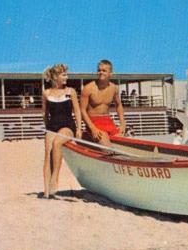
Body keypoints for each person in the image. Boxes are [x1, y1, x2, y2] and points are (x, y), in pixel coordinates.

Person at [41, 63, 82, 199]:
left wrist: (79, 129)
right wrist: (47, 129)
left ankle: (55, 178)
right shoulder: (46, 93)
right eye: (64, 74)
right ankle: (47, 191)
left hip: (67, 126)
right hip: (52, 125)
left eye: (66, 74)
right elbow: (45, 113)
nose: (67, 77)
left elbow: (77, 111)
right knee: (48, 154)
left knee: (57, 143)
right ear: (55, 77)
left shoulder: (71, 91)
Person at [80, 60, 125, 145]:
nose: (101, 72)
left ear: (111, 73)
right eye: (99, 70)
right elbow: (82, 110)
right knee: (107, 146)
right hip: (93, 121)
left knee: (122, 142)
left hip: (108, 121)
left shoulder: (114, 88)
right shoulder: (88, 88)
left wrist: (123, 124)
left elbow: (118, 105)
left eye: (104, 70)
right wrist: (92, 128)